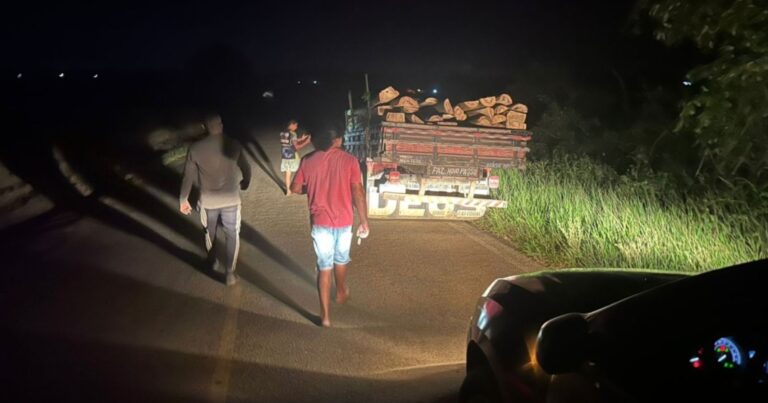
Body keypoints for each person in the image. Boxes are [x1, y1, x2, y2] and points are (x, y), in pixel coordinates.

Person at [291, 128, 369, 327]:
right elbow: (357, 191)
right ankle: (341, 291)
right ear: (338, 139)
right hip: (344, 221)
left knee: (324, 266)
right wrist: (364, 220)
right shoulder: (350, 161)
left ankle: (325, 317)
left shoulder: (307, 160)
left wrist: (313, 187)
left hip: (320, 223)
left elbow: (295, 188)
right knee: (341, 258)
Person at [179, 114, 251, 286]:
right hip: (231, 200)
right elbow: (246, 168)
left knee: (209, 233)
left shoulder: (196, 148)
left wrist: (183, 199)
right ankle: (229, 274)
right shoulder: (233, 144)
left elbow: (187, 177)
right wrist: (245, 182)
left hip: (208, 202)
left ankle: (212, 260)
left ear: (205, 127)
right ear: (221, 125)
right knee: (232, 234)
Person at [280, 119, 311, 195]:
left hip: (285, 155)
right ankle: (301, 187)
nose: (296, 127)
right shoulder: (293, 134)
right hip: (293, 155)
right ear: (291, 125)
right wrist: (306, 142)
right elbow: (296, 146)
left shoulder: (283, 133)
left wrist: (302, 139)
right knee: (301, 170)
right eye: (295, 125)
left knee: (288, 173)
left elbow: (292, 141)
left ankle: (288, 191)